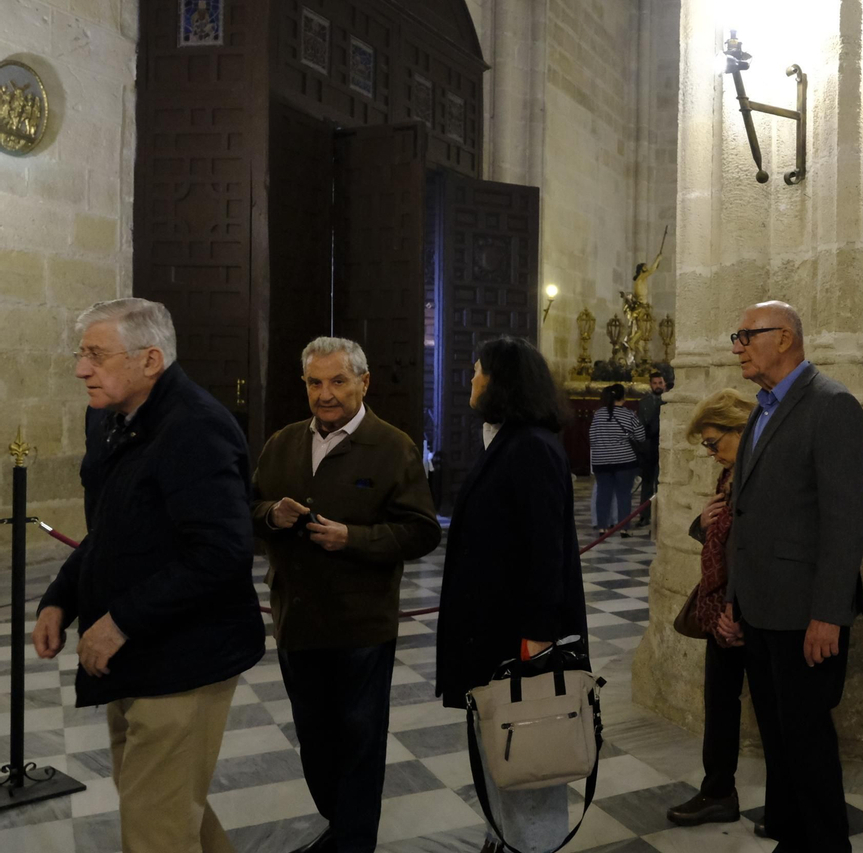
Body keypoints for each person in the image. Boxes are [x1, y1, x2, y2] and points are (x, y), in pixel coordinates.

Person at [34, 298, 264, 853]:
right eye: (80, 353)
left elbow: (223, 551)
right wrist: (61, 597)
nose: (80, 369)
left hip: (185, 659)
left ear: (150, 359)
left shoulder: (196, 428)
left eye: (96, 354)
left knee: (155, 827)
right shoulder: (114, 418)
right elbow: (111, 527)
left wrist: (119, 621)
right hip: (138, 654)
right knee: (162, 806)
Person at [252, 338, 441, 853]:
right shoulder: (283, 442)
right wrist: (272, 515)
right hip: (296, 619)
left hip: (361, 626)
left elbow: (422, 531)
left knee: (359, 741)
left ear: (364, 382)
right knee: (314, 740)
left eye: (337, 381)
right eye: (315, 383)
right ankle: (339, 824)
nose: (325, 394)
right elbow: (250, 510)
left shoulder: (393, 445)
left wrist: (351, 538)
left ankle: (354, 842)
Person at [714, 301, 863, 853]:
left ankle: (827, 844)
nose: (737, 346)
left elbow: (847, 520)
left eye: (745, 335)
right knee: (778, 736)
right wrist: (733, 598)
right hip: (760, 603)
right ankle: (793, 835)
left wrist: (828, 613)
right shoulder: (762, 408)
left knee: (806, 738)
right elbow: (747, 512)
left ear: (784, 339)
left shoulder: (832, 405)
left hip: (804, 609)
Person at [435, 336, 585, 853]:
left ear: (502, 382)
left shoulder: (532, 448)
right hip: (493, 629)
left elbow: (547, 553)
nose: (471, 380)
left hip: (518, 638)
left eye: (478, 371)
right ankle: (506, 838)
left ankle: (530, 845)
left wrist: (537, 641)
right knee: (502, 746)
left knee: (530, 754)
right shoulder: (512, 441)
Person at [665, 388, 769, 828]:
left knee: (774, 712)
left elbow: (759, 548)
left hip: (753, 611)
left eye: (714, 442)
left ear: (742, 429)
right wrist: (701, 522)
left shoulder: (763, 473)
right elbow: (722, 535)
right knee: (720, 703)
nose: (710, 453)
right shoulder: (731, 474)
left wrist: (737, 609)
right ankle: (718, 792)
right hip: (722, 608)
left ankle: (785, 807)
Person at [589, 383, 645, 536]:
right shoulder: (628, 414)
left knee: (603, 494)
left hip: (601, 461)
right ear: (623, 397)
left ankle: (602, 527)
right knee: (623, 495)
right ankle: (624, 528)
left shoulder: (598, 414)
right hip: (624, 460)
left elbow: (592, 437)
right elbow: (640, 436)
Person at [636, 371, 668, 527]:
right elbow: (641, 425)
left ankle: (664, 516)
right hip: (649, 448)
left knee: (663, 483)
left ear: (665, 384)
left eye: (660, 383)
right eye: (654, 383)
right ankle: (645, 515)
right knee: (648, 483)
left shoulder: (670, 401)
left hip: (667, 445)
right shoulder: (644, 402)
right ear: (650, 384)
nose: (657, 386)